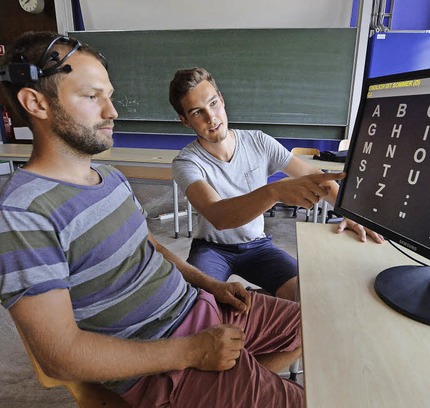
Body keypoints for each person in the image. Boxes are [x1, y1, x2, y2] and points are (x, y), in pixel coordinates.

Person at [0, 31, 305, 407]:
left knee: (313, 321)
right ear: (36, 103)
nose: (112, 112)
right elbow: (59, 355)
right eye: (92, 96)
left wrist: (211, 284)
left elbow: (149, 244)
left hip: (200, 307)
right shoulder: (23, 212)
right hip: (165, 363)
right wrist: (191, 353)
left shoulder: (110, 177)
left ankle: (242, 381)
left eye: (108, 96)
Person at [169, 68, 385, 301]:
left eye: (213, 103)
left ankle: (257, 300)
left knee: (306, 298)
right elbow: (219, 216)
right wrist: (275, 191)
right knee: (196, 306)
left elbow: (315, 176)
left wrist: (351, 212)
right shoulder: (186, 162)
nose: (211, 117)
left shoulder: (258, 142)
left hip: (258, 247)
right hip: (212, 248)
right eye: (197, 112)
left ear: (221, 100)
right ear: (185, 121)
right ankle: (252, 302)